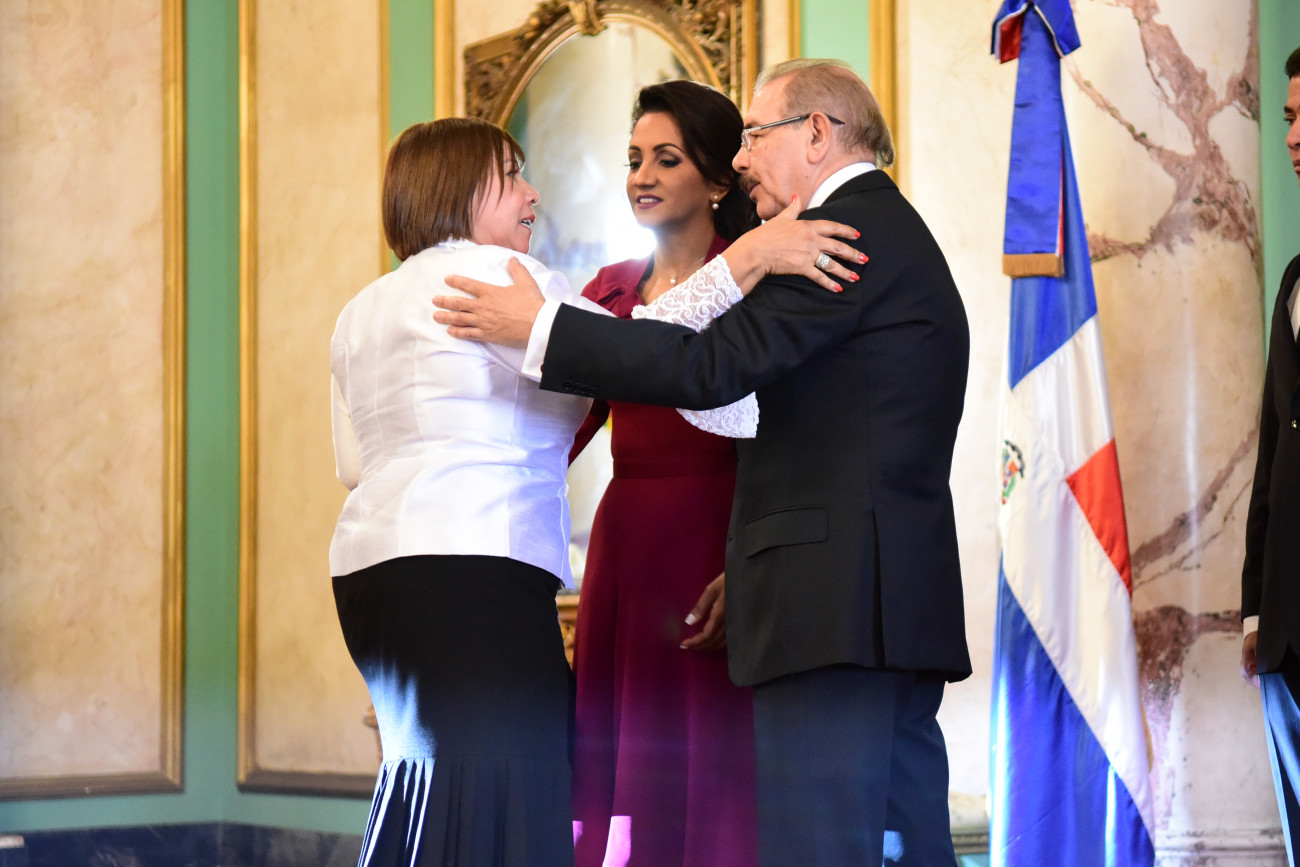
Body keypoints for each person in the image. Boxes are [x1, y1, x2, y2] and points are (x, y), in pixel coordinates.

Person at [432, 59, 972, 867]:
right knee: (901, 846)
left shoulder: (838, 234)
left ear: (817, 133)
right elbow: (754, 408)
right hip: (872, 605)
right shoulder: (876, 225)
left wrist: (540, 327)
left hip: (836, 613)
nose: (743, 156)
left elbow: (709, 366)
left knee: (822, 850)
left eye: (755, 134)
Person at [330, 117, 859, 867]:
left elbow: (353, 463)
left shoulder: (359, 311)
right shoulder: (510, 280)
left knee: (426, 778)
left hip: (369, 578)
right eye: (511, 175)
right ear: (457, 189)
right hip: (475, 571)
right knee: (513, 784)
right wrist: (750, 256)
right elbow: (640, 352)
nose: (532, 194)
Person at [568, 80, 761, 867]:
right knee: (625, 755)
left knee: (713, 759)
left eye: (666, 159)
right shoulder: (606, 291)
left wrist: (750, 565)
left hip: (715, 541)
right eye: (633, 159)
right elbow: (559, 434)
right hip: (623, 552)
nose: (642, 175)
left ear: (716, 179)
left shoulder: (755, 285)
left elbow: (785, 441)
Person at [1240, 44, 1300, 866]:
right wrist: (1256, 608)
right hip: (1287, 632)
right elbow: (1272, 454)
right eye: (1288, 117)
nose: (1292, 136)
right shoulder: (1292, 279)